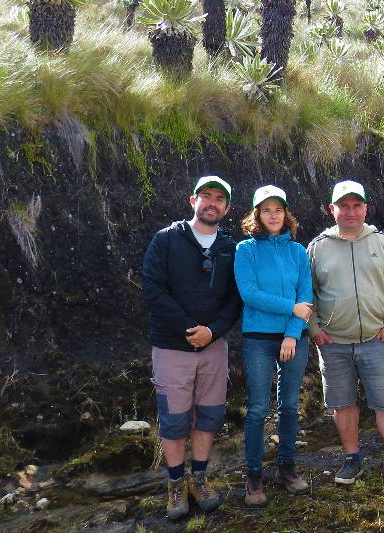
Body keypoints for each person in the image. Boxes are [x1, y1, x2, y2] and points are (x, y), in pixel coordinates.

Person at [307, 180, 384, 500]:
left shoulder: (382, 243)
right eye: (344, 206)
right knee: (343, 404)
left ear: (366, 208)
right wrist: (314, 329)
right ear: (332, 210)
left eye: (357, 205)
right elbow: (307, 293)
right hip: (334, 344)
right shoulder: (317, 247)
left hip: (376, 340)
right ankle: (352, 458)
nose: (351, 211)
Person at [141, 176, 241, 519]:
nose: (211, 203)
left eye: (219, 199)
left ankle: (199, 478)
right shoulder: (167, 240)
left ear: (226, 208)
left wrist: (212, 331)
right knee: (174, 419)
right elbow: (153, 289)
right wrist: (189, 328)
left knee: (210, 415)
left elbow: (235, 299)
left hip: (214, 348)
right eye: (206, 196)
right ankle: (174, 484)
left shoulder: (230, 247)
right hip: (172, 347)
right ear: (192, 201)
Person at [234, 185, 313, 507]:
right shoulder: (245, 250)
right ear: (257, 214)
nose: (273, 215)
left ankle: (287, 467)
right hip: (258, 339)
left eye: (278, 209)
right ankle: (253, 475)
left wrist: (293, 333)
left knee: (290, 407)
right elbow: (249, 293)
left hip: (294, 338)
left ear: (286, 213)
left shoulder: (297, 251)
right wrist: (290, 308)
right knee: (256, 409)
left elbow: (305, 300)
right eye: (266, 210)